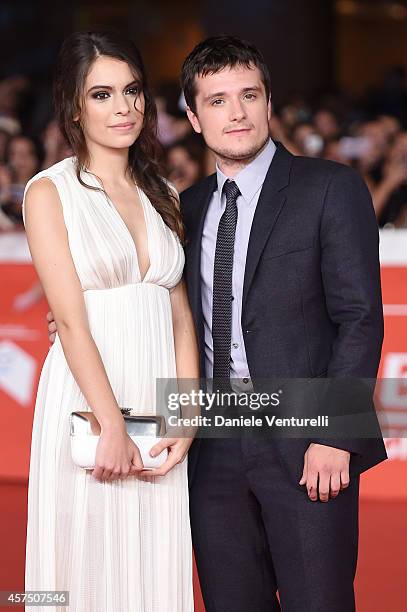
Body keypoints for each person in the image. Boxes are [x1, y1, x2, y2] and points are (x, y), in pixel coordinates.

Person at [178, 36, 386, 611]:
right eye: (217, 101)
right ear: (194, 118)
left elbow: (360, 317)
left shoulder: (330, 187)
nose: (236, 112)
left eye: (248, 95)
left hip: (305, 438)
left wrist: (334, 434)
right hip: (213, 441)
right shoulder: (187, 208)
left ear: (269, 102)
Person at [25, 30, 197, 611]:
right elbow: (70, 323)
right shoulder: (49, 192)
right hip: (90, 396)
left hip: (157, 396)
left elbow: (180, 317)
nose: (123, 107)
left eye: (132, 91)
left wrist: (188, 413)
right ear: (75, 105)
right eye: (102, 94)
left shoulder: (162, 192)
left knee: (152, 559)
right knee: (87, 559)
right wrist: (111, 425)